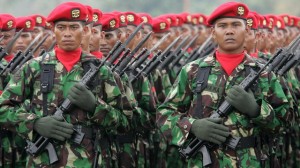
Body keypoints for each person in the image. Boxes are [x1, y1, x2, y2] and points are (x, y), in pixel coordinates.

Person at [157, 2, 290, 167]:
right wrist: (193, 126)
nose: (229, 31)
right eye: (222, 26)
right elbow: (164, 114)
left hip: (250, 162)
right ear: (213, 33)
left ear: (246, 30)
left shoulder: (263, 74)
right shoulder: (193, 71)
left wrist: (256, 110)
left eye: (235, 25)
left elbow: (285, 122)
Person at [0, 2, 129, 167]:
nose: (67, 33)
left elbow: (126, 122)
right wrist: (34, 123)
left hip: (87, 161)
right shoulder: (33, 68)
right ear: (54, 32)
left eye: (74, 27)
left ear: (85, 31)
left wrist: (95, 107)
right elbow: (3, 109)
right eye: (61, 27)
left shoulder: (101, 71)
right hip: (43, 161)